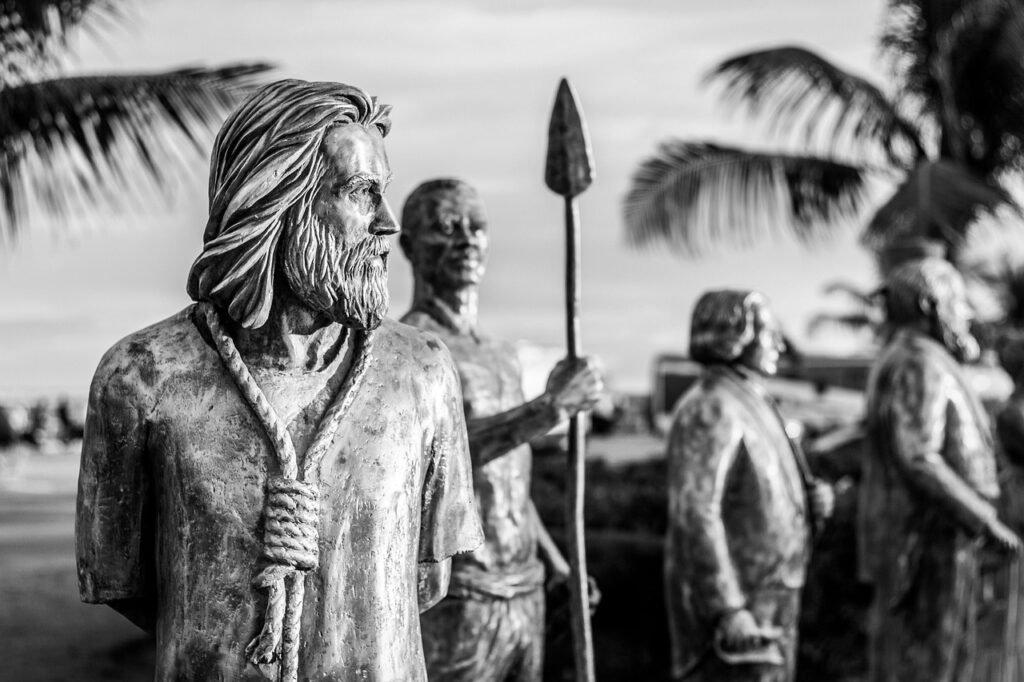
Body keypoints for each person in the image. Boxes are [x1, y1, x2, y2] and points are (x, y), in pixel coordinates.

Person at [75, 80, 483, 682]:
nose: (388, 224)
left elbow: (424, 579)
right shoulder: (140, 376)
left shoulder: (421, 371)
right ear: (275, 199)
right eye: (362, 193)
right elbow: (129, 584)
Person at [398, 178, 603, 681]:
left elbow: (509, 483)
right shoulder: (407, 348)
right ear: (410, 245)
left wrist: (558, 566)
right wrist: (548, 410)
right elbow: (438, 458)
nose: (467, 239)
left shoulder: (503, 356)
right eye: (447, 227)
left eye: (477, 227)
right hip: (459, 597)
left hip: (524, 590)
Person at [859, 257, 1021, 682]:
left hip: (937, 539)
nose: (966, 314)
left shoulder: (919, 358)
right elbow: (919, 456)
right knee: (931, 662)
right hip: (930, 542)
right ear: (929, 305)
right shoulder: (919, 361)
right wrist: (984, 520)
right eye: (958, 302)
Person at [664, 289, 833, 682]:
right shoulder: (711, 406)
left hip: (768, 597)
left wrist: (810, 503)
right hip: (738, 614)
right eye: (768, 332)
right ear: (734, 337)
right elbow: (695, 512)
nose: (778, 344)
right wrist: (728, 606)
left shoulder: (752, 400)